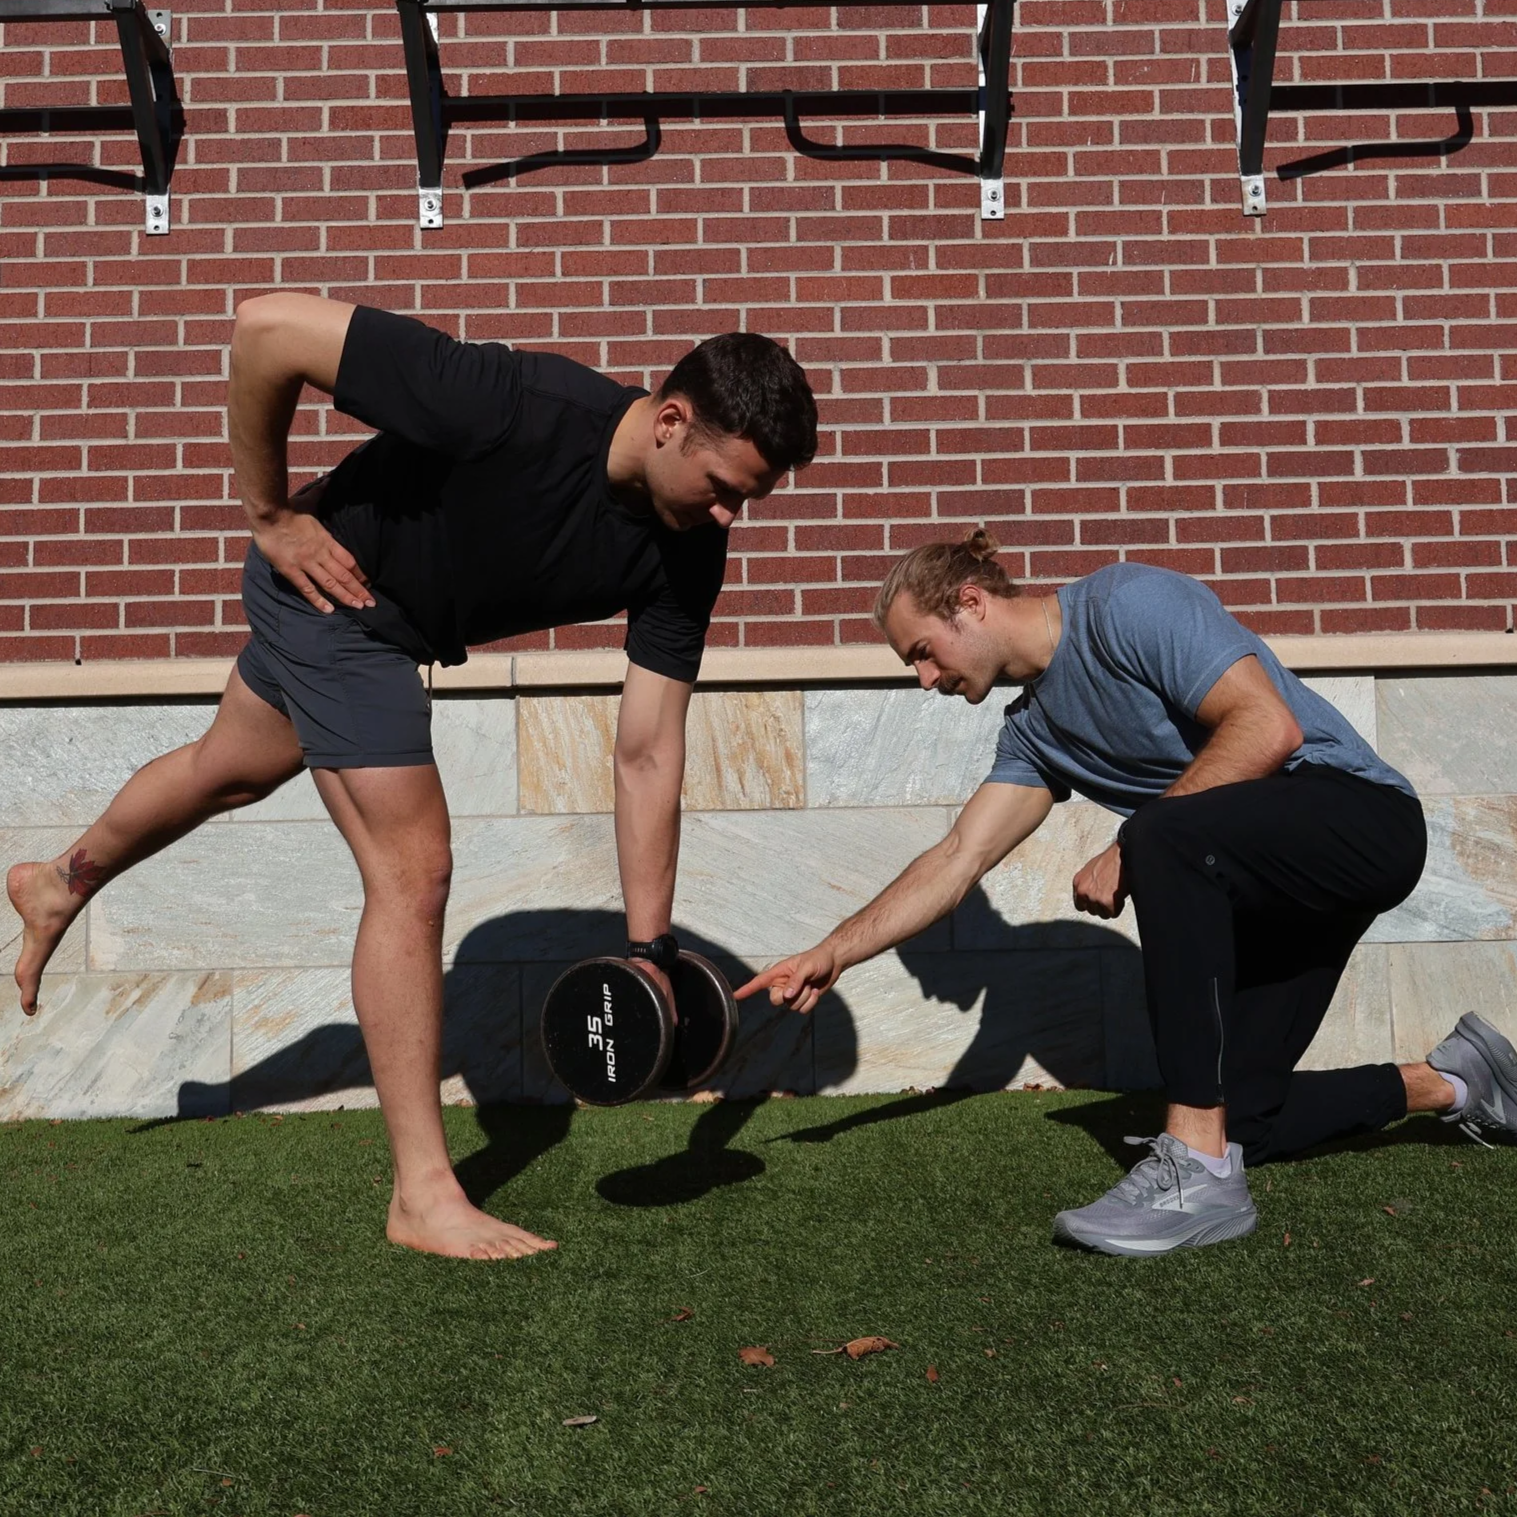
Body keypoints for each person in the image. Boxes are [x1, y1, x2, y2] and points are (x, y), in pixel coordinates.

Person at [8, 295, 817, 1261]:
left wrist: (649, 947)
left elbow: (647, 748)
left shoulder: (690, 549)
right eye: (726, 487)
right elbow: (267, 329)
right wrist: (269, 513)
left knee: (229, 770)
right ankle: (423, 1194)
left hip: (385, 622)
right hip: (331, 598)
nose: (730, 514)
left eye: (750, 501)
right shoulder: (507, 403)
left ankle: (59, 880)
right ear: (672, 421)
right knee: (414, 866)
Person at [739, 529, 1517, 1257]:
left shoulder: (1124, 605)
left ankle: (1196, 1171)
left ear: (970, 603)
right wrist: (830, 951)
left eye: (923, 652)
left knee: (1159, 837)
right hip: (1270, 879)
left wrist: (1130, 841)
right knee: (1245, 1115)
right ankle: (1456, 1080)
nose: (925, 679)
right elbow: (956, 857)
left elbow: (1264, 727)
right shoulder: (1033, 731)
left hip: (1358, 817)